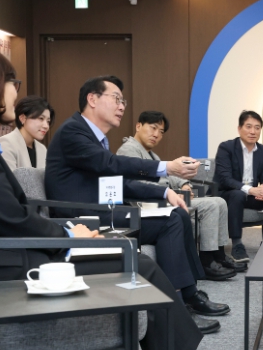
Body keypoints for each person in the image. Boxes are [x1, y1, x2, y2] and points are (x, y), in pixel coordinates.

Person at [0, 45, 241, 350]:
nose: (15, 92)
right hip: (9, 268)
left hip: (17, 254)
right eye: (10, 82)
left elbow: (8, 213)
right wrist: (70, 236)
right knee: (138, 265)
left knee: (138, 259)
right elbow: (10, 218)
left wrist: (69, 235)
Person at [44, 75, 233, 335]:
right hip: (83, 219)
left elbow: (117, 184)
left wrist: (165, 192)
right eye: (116, 99)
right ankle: (177, 309)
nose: (122, 106)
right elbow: (111, 165)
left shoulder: (94, 137)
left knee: (177, 214)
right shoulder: (73, 132)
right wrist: (165, 167)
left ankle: (189, 294)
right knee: (170, 222)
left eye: (123, 101)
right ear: (92, 99)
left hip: (103, 211)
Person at [116, 110, 246, 273]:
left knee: (220, 202)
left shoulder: (151, 154)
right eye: (153, 128)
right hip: (150, 204)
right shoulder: (129, 150)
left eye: (161, 132)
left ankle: (219, 255)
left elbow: (168, 176)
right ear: (138, 126)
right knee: (211, 205)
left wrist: (184, 184)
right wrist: (170, 193)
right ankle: (207, 261)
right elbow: (139, 185)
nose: (156, 134)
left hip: (166, 199)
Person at [214, 110, 263, 263]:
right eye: (248, 126)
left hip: (250, 196)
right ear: (239, 129)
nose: (253, 131)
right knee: (238, 194)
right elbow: (225, 179)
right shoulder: (226, 147)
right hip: (227, 195)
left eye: (257, 128)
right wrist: (251, 190)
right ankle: (237, 244)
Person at [0, 95, 53, 170]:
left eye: (48, 121)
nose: (46, 126)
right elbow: (8, 176)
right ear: (22, 118)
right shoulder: (6, 143)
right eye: (41, 118)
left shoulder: (42, 149)